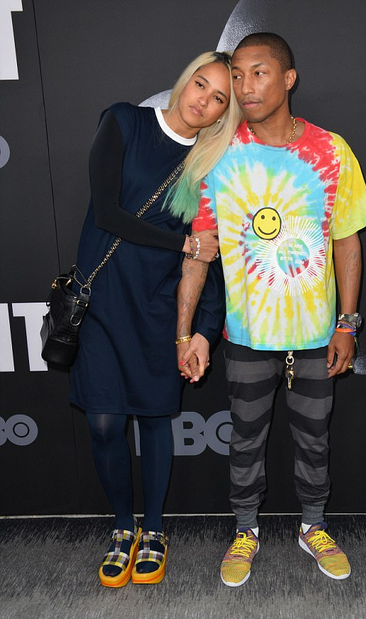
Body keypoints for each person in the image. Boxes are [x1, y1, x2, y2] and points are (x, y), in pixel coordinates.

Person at [177, 33, 366, 586]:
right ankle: (245, 530)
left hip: (315, 335)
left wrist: (347, 323)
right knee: (245, 440)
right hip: (245, 335)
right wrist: (185, 332)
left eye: (259, 73)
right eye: (237, 76)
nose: (246, 87)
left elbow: (348, 240)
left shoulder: (331, 151)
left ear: (288, 79)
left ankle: (313, 525)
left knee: (315, 438)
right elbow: (199, 250)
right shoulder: (217, 154)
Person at [69, 51, 241, 588]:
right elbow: (106, 212)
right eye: (201, 84)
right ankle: (123, 527)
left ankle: (155, 530)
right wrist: (181, 242)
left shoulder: (210, 166)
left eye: (219, 99)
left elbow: (210, 261)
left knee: (152, 419)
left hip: (156, 308)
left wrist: (202, 330)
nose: (204, 101)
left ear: (224, 114)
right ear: (185, 78)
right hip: (101, 303)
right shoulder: (124, 120)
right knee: (102, 424)